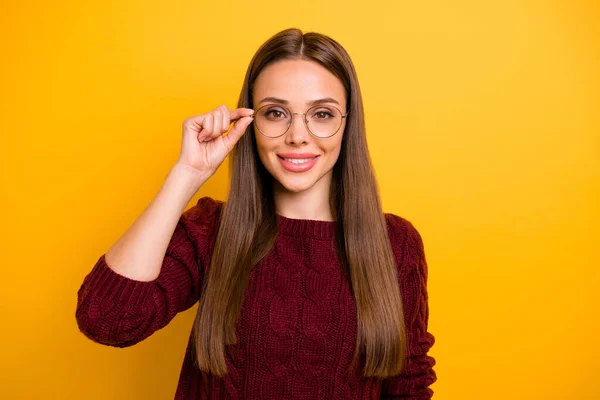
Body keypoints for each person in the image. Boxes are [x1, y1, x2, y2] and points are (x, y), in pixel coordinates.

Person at [75, 27, 437, 399]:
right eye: (276, 113)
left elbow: (408, 384)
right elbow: (107, 321)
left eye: (322, 113)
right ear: (250, 123)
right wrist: (188, 174)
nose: (298, 134)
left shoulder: (395, 244)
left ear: (348, 124)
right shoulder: (213, 232)